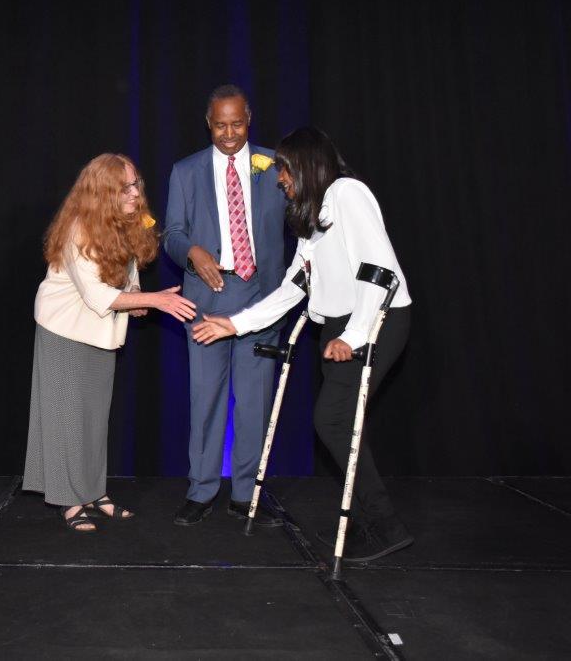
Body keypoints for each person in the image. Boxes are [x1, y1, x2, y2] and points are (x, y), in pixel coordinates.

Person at [192, 126, 414, 562]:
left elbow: (378, 271)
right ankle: (369, 519)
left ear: (308, 165)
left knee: (332, 419)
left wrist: (354, 335)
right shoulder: (312, 219)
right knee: (342, 421)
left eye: (286, 170)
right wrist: (235, 324)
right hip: (338, 326)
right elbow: (291, 289)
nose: (280, 179)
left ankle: (386, 524)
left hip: (376, 320)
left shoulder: (348, 194)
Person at [24, 154, 197, 532]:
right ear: (103, 192)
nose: (135, 193)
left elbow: (127, 275)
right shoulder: (78, 228)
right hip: (65, 329)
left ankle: (93, 492)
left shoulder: (125, 223)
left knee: (94, 418)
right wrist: (156, 301)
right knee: (68, 419)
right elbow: (96, 294)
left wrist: (136, 298)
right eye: (125, 188)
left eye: (136, 184)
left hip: (99, 330)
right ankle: (69, 500)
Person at [163, 84, 290, 528]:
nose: (230, 134)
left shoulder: (274, 165)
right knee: (206, 399)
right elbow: (172, 234)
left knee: (254, 402)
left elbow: (302, 218)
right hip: (207, 297)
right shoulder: (186, 171)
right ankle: (201, 490)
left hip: (261, 298)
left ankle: (246, 494)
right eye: (220, 125)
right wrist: (191, 252)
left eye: (237, 124)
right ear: (208, 123)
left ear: (249, 118)